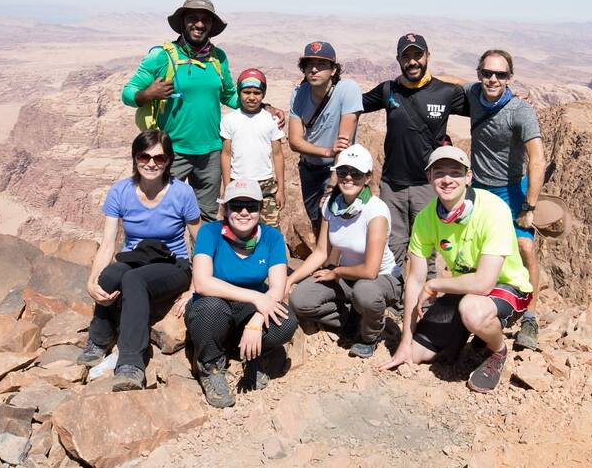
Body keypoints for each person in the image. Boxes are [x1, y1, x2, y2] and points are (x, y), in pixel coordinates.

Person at [380, 145, 533, 394]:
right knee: (417, 354)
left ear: (468, 177)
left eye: (456, 172)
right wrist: (406, 342)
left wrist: (435, 284)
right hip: (465, 289)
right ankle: (465, 337)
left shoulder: (492, 209)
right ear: (429, 177)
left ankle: (497, 350)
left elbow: (484, 283)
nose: (447, 179)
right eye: (439, 173)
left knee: (472, 310)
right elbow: (415, 279)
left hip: (507, 288)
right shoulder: (426, 218)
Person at [122, 0, 284, 219]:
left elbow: (229, 95)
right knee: (164, 211)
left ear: (211, 25)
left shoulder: (218, 57)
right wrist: (148, 94)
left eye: (205, 20)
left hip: (211, 153)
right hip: (172, 151)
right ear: (182, 22)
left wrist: (264, 107)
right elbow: (127, 93)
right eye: (193, 18)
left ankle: (201, 255)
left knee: (206, 215)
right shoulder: (161, 56)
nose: (199, 24)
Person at [81, 129, 201, 391]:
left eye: (159, 158)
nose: (151, 163)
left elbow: (200, 241)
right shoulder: (120, 191)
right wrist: (91, 282)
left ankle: (131, 363)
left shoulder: (181, 193)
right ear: (135, 158)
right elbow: (108, 243)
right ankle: (100, 339)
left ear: (169, 160)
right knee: (110, 276)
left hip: (173, 264)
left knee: (133, 280)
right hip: (137, 257)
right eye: (144, 156)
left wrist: (195, 287)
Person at [185, 179, 297, 408]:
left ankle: (253, 354)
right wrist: (256, 297)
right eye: (236, 206)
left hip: (249, 311)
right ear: (225, 209)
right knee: (211, 308)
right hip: (214, 305)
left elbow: (277, 287)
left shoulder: (271, 237)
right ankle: (211, 367)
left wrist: (256, 321)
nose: (244, 212)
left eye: (251, 206)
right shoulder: (210, 232)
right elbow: (203, 283)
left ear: (260, 209)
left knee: (286, 322)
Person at [360, 33, 469, 266]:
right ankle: (394, 301)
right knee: (392, 251)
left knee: (426, 253)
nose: (412, 61)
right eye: (406, 56)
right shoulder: (388, 90)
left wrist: (514, 100)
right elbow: (352, 103)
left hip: (427, 186)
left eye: (417, 55)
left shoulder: (446, 92)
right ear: (398, 59)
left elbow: (483, 101)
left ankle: (425, 302)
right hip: (393, 186)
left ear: (428, 56)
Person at [287, 144, 401, 358]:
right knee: (301, 300)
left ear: (367, 177)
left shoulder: (376, 211)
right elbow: (321, 252)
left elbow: (370, 271)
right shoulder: (331, 205)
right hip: (349, 276)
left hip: (380, 278)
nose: (348, 178)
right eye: (343, 172)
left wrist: (336, 272)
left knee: (365, 293)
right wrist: (290, 280)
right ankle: (352, 319)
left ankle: (370, 335)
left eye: (356, 173)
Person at [465, 49, 545, 350]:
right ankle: (486, 311)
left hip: (511, 188)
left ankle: (531, 316)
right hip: (481, 191)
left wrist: (529, 207)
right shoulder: (473, 94)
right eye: (487, 73)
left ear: (509, 77)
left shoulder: (520, 111)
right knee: (478, 252)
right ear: (479, 74)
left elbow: (537, 160)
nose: (493, 79)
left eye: (500, 74)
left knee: (525, 247)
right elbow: (447, 83)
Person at [287, 41, 362, 234]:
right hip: (309, 169)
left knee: (338, 223)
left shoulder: (347, 89)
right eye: (309, 64)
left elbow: (343, 142)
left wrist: (333, 179)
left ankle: (337, 263)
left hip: (339, 169)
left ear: (334, 70)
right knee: (317, 222)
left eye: (321, 64)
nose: (313, 69)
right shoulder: (299, 93)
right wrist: (326, 150)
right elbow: (294, 141)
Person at [220, 67, 286, 230]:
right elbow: (226, 154)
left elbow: (278, 155)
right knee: (238, 229)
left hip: (266, 185)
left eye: (256, 93)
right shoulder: (230, 120)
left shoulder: (271, 119)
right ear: (239, 92)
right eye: (246, 92)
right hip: (238, 183)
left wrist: (281, 189)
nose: (251, 97)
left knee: (270, 230)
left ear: (263, 94)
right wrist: (227, 186)